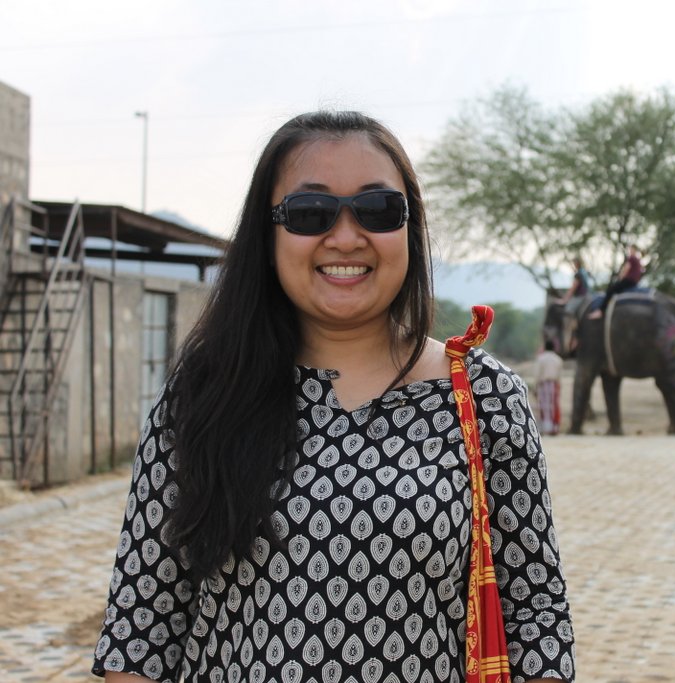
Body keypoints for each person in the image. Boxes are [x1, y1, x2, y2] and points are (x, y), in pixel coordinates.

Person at [92, 111, 575, 683]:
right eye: (309, 212)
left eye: (378, 209)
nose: (346, 237)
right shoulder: (205, 393)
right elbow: (141, 629)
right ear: (268, 234)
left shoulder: (484, 396)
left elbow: (536, 616)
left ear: (410, 228)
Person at [592, 244, 644, 317]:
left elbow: (626, 269)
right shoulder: (638, 260)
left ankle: (601, 311)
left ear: (634, 250)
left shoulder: (631, 258)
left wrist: (620, 277)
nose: (630, 251)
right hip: (634, 282)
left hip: (629, 281)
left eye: (631, 249)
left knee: (611, 290)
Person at [534, 339, 564, 436]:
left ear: (545, 347)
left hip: (543, 384)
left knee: (543, 406)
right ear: (554, 348)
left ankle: (545, 428)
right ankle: (554, 428)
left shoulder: (541, 358)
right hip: (554, 384)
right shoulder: (558, 359)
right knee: (553, 406)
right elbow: (559, 375)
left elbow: (538, 374)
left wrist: (536, 387)